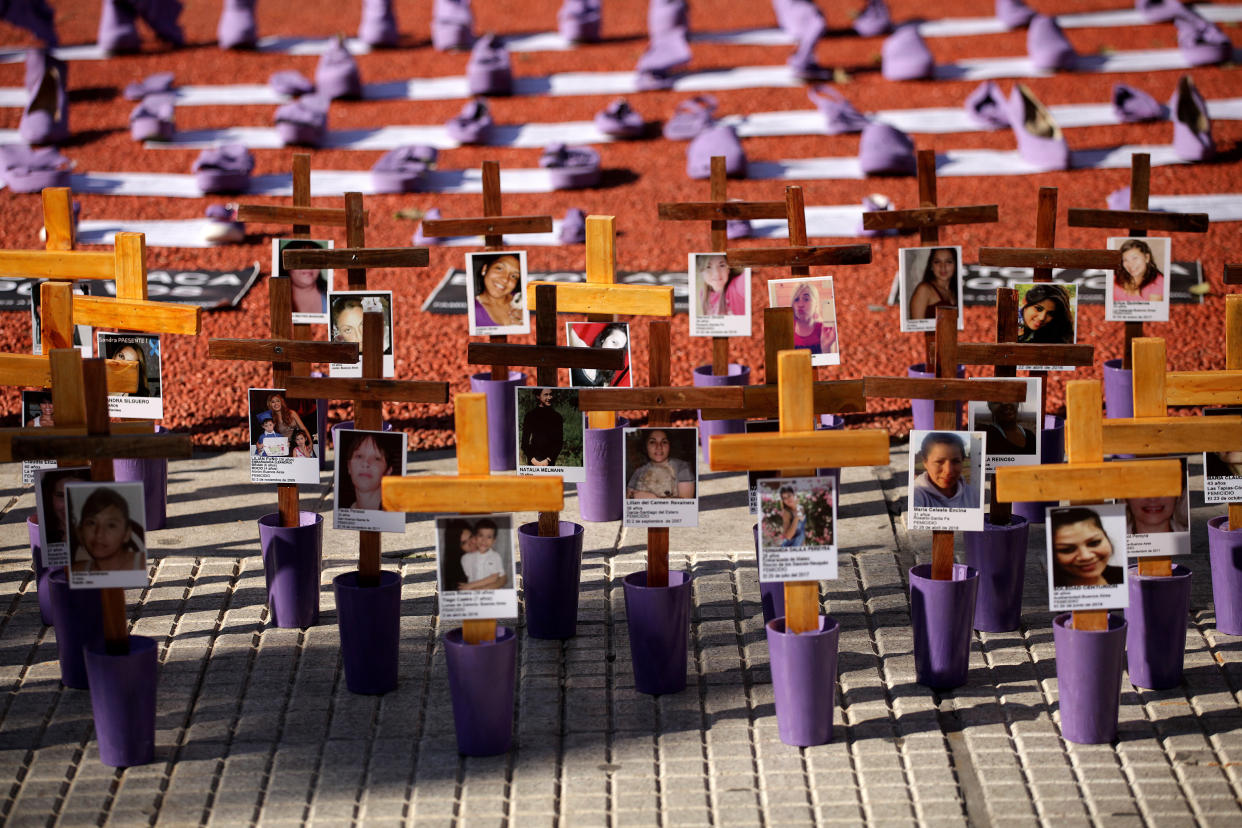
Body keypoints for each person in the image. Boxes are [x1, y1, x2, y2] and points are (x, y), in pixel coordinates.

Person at [71, 487, 145, 574]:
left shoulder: (142, 565)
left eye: (111, 525)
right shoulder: (77, 572)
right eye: (91, 523)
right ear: (80, 531)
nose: (99, 534)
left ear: (127, 534)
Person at [1051, 507, 1124, 587]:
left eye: (1094, 543)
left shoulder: (1124, 575)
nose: (1086, 556)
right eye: (1067, 550)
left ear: (1106, 537)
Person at [911, 432, 979, 509]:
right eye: (939, 462)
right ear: (925, 463)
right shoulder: (916, 495)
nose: (948, 471)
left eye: (955, 461)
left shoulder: (972, 494)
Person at [627, 429, 695, 499]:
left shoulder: (682, 467)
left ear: (669, 446)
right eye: (652, 442)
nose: (659, 447)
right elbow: (629, 499)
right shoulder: (639, 472)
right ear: (645, 446)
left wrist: (655, 499)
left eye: (664, 442)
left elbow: (686, 504)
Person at [341, 432, 398, 510]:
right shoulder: (342, 511)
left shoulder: (393, 516)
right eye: (359, 456)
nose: (365, 463)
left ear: (388, 471)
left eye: (376, 458)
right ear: (349, 466)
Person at [569, 322, 631, 387]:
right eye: (614, 342)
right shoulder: (584, 350)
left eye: (620, 349)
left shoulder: (609, 375)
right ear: (603, 338)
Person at [472, 252, 524, 329]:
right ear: (485, 269)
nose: (505, 279)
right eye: (499, 268)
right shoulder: (471, 309)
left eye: (514, 276)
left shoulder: (524, 301)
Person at [40, 468, 89, 547]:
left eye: (78, 495)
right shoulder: (40, 535)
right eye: (61, 496)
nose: (69, 505)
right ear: (49, 498)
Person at [280, 238, 330, 316]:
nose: (308, 266)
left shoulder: (332, 293)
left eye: (314, 260)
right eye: (301, 261)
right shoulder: (277, 300)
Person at [908, 247, 959, 321]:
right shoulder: (924, 290)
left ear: (955, 265)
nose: (943, 267)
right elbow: (916, 329)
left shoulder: (958, 290)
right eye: (937, 262)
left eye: (948, 262)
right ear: (931, 266)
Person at [787, 281, 837, 356]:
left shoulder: (825, 330)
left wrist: (826, 347)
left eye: (806, 299)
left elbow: (830, 366)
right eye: (796, 299)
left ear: (816, 304)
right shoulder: (786, 330)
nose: (800, 304)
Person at [458, 518, 507, 590]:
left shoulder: (495, 556)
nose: (484, 540)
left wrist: (470, 586)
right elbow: (469, 577)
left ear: (494, 540)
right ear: (476, 536)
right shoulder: (465, 558)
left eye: (489, 537)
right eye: (481, 535)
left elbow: (494, 577)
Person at [521, 388, 563, 466]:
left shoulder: (557, 417)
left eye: (551, 394)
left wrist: (548, 460)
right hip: (533, 461)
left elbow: (559, 443)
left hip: (549, 462)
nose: (549, 397)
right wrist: (532, 459)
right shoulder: (530, 415)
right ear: (538, 396)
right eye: (546, 395)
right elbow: (524, 443)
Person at [1113, 238, 1164, 303]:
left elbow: (1153, 311)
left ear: (1147, 258)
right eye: (1125, 260)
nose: (1130, 264)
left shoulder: (1158, 282)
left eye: (1135, 258)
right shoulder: (1116, 277)